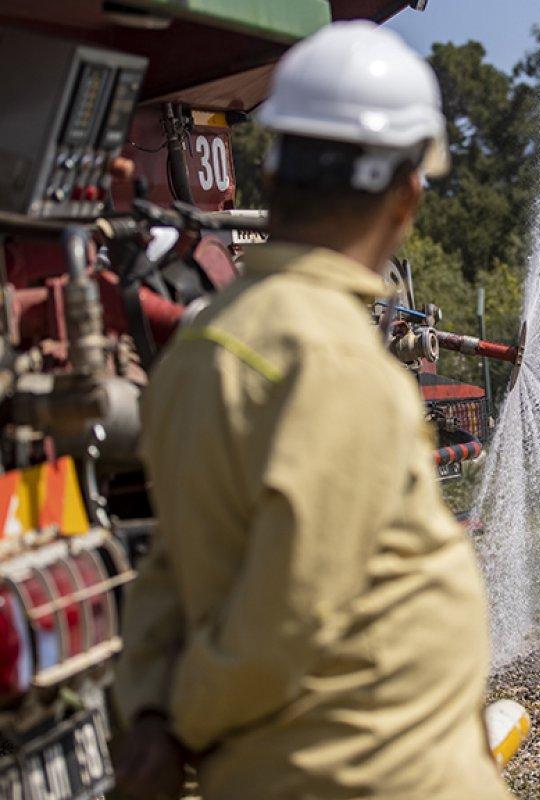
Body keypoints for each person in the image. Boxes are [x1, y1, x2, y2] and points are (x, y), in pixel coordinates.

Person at [113, 22, 513, 800]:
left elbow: (172, 565)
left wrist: (152, 715)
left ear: (272, 168)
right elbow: (291, 611)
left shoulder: (201, 350)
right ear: (408, 195)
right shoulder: (331, 362)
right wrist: (182, 725)